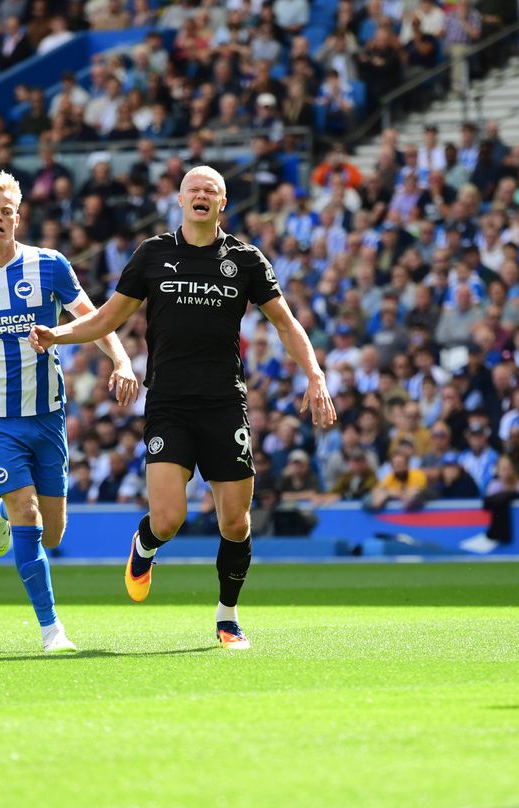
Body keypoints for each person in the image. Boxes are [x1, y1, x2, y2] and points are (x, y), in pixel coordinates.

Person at [29, 165, 336, 650]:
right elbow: (107, 318)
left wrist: (315, 374)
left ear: (222, 203)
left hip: (224, 403)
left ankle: (228, 617)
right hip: (169, 403)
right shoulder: (153, 254)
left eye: (211, 189)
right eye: (194, 188)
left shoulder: (245, 259)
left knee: (235, 521)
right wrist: (57, 334)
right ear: (179, 199)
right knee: (168, 518)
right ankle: (145, 544)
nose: (202, 194)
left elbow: (285, 322)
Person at [0, 171, 139, 654]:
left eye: (7, 211)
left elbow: (94, 318)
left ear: (18, 217)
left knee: (53, 533)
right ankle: (51, 630)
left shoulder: (50, 265)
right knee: (28, 511)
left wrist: (121, 360)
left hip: (46, 411)